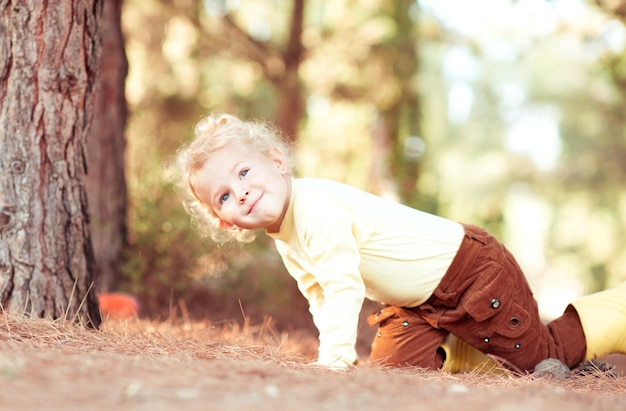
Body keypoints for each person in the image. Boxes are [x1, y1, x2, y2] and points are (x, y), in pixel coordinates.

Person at [175, 113, 626, 373]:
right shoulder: (285, 235)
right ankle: (462, 343)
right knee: (392, 374)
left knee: (542, 361)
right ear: (225, 222)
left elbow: (343, 286)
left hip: (469, 272)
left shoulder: (315, 207)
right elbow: (318, 294)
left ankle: (617, 311)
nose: (243, 192)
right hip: (417, 303)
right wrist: (330, 354)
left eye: (244, 173)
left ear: (277, 162)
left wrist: (333, 361)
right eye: (226, 196)